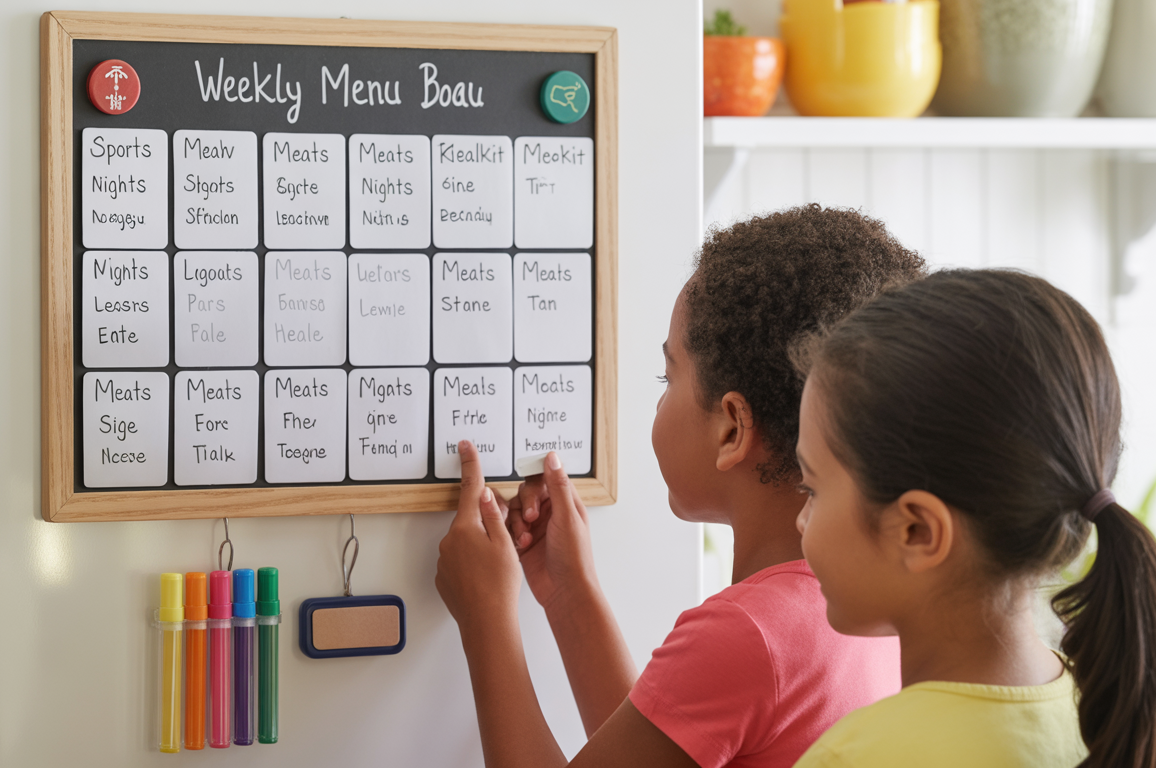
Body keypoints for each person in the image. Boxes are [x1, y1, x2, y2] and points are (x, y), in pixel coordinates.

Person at [435, 205, 925, 768]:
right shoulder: (866, 603)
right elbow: (668, 744)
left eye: (668, 376)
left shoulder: (747, 633)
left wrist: (486, 618)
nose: (662, 395)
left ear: (732, 428)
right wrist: (570, 595)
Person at [791, 269, 1156, 768]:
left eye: (811, 489)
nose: (800, 520)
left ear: (917, 530)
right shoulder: (1101, 716)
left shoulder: (859, 756)